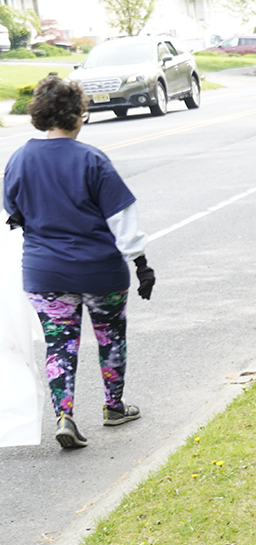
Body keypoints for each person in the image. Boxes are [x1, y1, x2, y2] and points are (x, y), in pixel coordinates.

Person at [3, 75, 155, 451]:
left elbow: (13, 214)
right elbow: (123, 221)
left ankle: (64, 416)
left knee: (59, 344)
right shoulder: (92, 160)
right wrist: (141, 264)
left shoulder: (19, 159)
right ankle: (114, 406)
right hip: (100, 270)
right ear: (78, 114)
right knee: (110, 338)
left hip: (44, 273)